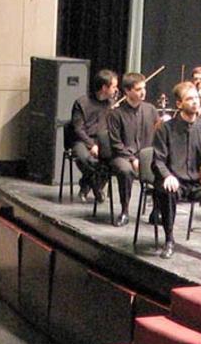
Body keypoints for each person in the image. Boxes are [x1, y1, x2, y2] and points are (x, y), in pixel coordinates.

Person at [151, 81, 201, 259]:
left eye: (196, 98)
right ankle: (169, 240)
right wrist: (167, 176)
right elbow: (157, 160)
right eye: (189, 99)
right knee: (167, 191)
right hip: (175, 182)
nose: (195, 102)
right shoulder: (165, 129)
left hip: (197, 182)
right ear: (179, 104)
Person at [107, 71, 160, 229]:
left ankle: (156, 210)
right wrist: (132, 159)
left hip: (145, 154)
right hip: (122, 155)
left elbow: (159, 136)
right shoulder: (116, 113)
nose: (143, 92)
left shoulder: (150, 109)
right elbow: (116, 143)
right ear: (127, 91)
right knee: (125, 170)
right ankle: (124, 211)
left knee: (162, 168)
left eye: (144, 88)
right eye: (138, 89)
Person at [68, 68, 118, 203]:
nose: (116, 90)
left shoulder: (112, 104)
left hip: (102, 141)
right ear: (104, 87)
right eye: (113, 87)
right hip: (82, 140)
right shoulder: (81, 103)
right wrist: (92, 145)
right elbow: (78, 129)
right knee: (84, 158)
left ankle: (86, 184)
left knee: (112, 159)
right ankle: (96, 187)